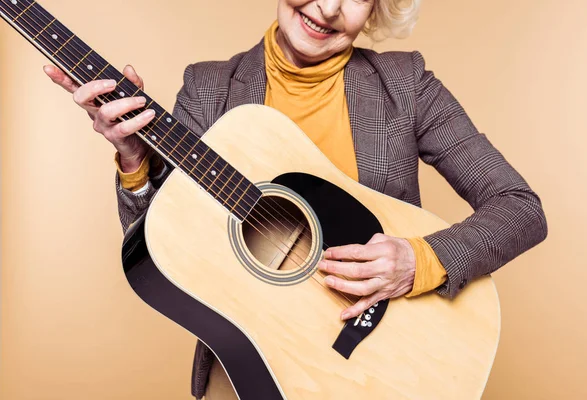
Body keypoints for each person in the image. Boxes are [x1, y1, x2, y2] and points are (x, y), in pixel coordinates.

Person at [43, 0, 548, 398]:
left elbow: (520, 207)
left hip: (395, 366)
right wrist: (135, 159)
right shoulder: (208, 90)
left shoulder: (406, 86)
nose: (327, 8)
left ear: (377, 8)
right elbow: (161, 241)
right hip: (249, 372)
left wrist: (419, 260)